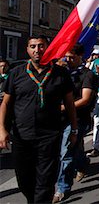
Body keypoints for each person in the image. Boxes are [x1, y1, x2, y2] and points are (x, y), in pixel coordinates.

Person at [0, 35, 77, 203]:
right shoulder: (16, 73)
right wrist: (2, 130)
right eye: (33, 46)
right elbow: (5, 103)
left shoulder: (60, 73)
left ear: (47, 48)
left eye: (41, 46)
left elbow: (70, 104)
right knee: (25, 181)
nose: (37, 50)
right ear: (27, 49)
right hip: (22, 137)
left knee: (45, 182)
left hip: (49, 136)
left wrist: (74, 129)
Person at [53, 44, 97, 203]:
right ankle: (83, 163)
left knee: (65, 152)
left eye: (72, 57)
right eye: (67, 57)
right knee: (73, 148)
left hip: (79, 119)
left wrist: (65, 107)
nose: (68, 60)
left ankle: (62, 188)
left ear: (81, 57)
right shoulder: (62, 73)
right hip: (60, 119)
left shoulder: (87, 75)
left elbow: (85, 99)